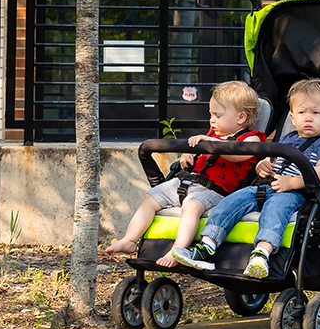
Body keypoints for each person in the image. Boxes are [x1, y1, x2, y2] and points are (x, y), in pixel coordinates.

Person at [173, 78, 320, 278]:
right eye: (302, 112)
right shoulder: (287, 139)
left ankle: (261, 253)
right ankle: (207, 246)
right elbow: (270, 158)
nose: (308, 118)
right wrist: (263, 165)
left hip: (295, 193)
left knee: (274, 211)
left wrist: (293, 182)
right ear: (293, 117)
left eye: (316, 113)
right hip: (266, 187)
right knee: (230, 202)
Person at [105, 81, 263, 267]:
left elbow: (237, 155)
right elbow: (199, 155)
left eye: (218, 115)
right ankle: (130, 240)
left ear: (241, 118)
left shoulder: (252, 138)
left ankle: (177, 250)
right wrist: (187, 156)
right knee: (150, 198)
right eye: (211, 114)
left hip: (216, 192)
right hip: (187, 182)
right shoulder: (212, 133)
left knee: (192, 207)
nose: (212, 120)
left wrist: (211, 142)